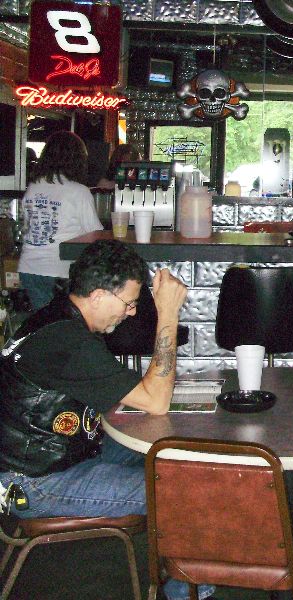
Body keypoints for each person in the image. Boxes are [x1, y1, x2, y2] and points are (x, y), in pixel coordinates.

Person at [0, 239, 213, 600]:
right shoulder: (69, 342)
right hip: (36, 481)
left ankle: (178, 560)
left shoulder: (56, 317)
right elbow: (156, 400)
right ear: (98, 296)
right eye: (129, 303)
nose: (131, 312)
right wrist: (168, 314)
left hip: (61, 453)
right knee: (181, 491)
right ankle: (188, 593)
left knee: (169, 453)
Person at [18, 131, 103, 310]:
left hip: (29, 268)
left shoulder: (33, 187)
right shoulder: (79, 191)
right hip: (60, 271)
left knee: (43, 320)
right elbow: (96, 235)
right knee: (63, 322)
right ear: (77, 160)